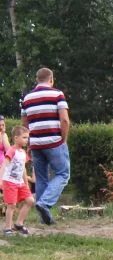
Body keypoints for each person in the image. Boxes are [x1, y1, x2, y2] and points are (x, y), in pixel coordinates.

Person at [20, 67, 71, 225]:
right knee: (63, 174)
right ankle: (45, 203)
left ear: (37, 79)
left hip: (35, 143)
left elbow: (24, 123)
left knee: (41, 179)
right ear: (51, 79)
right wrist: (64, 139)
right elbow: (64, 120)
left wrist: (29, 142)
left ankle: (44, 219)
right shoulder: (57, 94)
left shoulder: (26, 98)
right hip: (54, 141)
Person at [1, 124, 35, 235]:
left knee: (30, 201)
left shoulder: (23, 152)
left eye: (27, 138)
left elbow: (23, 168)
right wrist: (0, 179)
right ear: (16, 138)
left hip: (20, 182)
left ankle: (19, 224)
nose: (27, 140)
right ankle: (7, 228)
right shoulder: (12, 150)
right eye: (24, 137)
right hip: (10, 181)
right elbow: (4, 165)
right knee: (11, 205)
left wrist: (25, 183)